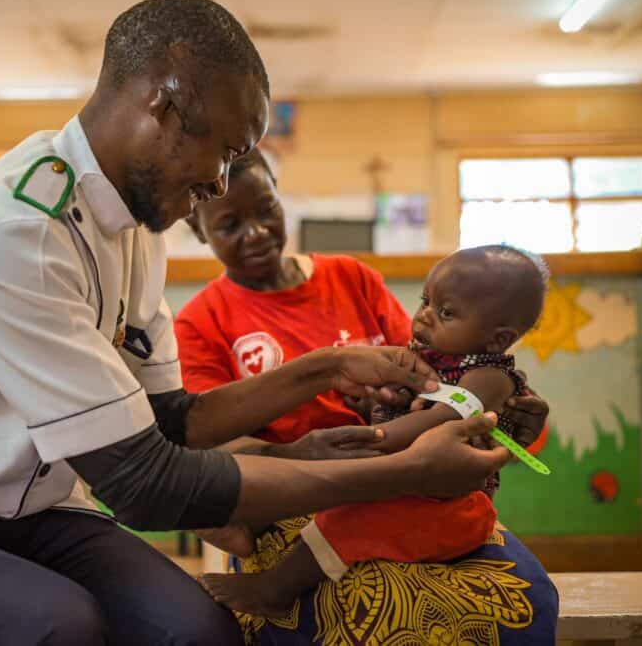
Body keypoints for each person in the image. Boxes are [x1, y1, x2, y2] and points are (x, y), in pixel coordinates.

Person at [0, 0, 518, 646]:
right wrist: (399, 472)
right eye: (222, 152)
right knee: (51, 628)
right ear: (161, 103)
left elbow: (166, 424)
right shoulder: (12, 232)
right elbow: (144, 485)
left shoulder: (133, 230)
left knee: (192, 632)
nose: (220, 184)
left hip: (29, 513)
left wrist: (324, 379)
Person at [175, 150, 558, 644]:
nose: (257, 233)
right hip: (296, 499)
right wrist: (299, 454)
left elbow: (438, 372)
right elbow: (206, 449)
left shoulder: (352, 279)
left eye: (267, 210)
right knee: (376, 612)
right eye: (229, 224)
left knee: (526, 595)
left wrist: (508, 408)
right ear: (200, 231)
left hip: (414, 486)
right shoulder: (202, 323)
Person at [199, 245, 549, 618]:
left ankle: (275, 588)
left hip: (444, 507)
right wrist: (375, 406)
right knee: (339, 513)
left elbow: (439, 419)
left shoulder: (489, 376)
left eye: (445, 313)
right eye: (425, 301)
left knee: (346, 525)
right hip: (404, 484)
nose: (425, 317)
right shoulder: (437, 355)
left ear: (498, 339)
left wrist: (376, 438)